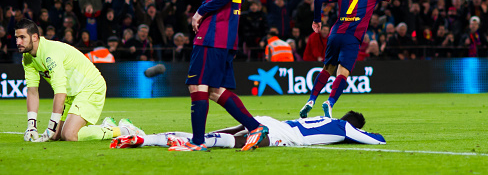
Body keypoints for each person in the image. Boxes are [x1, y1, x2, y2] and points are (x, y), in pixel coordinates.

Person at [300, 0, 430, 118]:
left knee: (327, 69)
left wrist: (317, 21)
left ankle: (311, 100)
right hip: (351, 37)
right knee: (343, 73)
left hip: (335, 33)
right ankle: (329, 103)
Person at [185, 0, 268, 152]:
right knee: (214, 90)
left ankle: (198, 142)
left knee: (197, 85)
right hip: (228, 32)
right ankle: (255, 127)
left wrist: (201, 11)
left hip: (213, 31)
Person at [16, 18, 143, 142]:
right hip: (72, 94)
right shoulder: (27, 58)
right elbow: (32, 91)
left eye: (22, 37)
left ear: (34, 37)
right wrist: (31, 126)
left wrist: (51, 125)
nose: (18, 42)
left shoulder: (50, 53)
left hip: (90, 86)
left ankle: (122, 130)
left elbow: (59, 91)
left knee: (69, 135)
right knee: (55, 136)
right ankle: (108, 126)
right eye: (17, 37)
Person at [110, 110, 385, 149]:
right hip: (281, 136)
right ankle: (147, 140)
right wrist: (375, 136)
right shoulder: (346, 127)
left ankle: (145, 137)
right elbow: (375, 141)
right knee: (225, 143)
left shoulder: (325, 119)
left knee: (203, 136)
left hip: (270, 120)